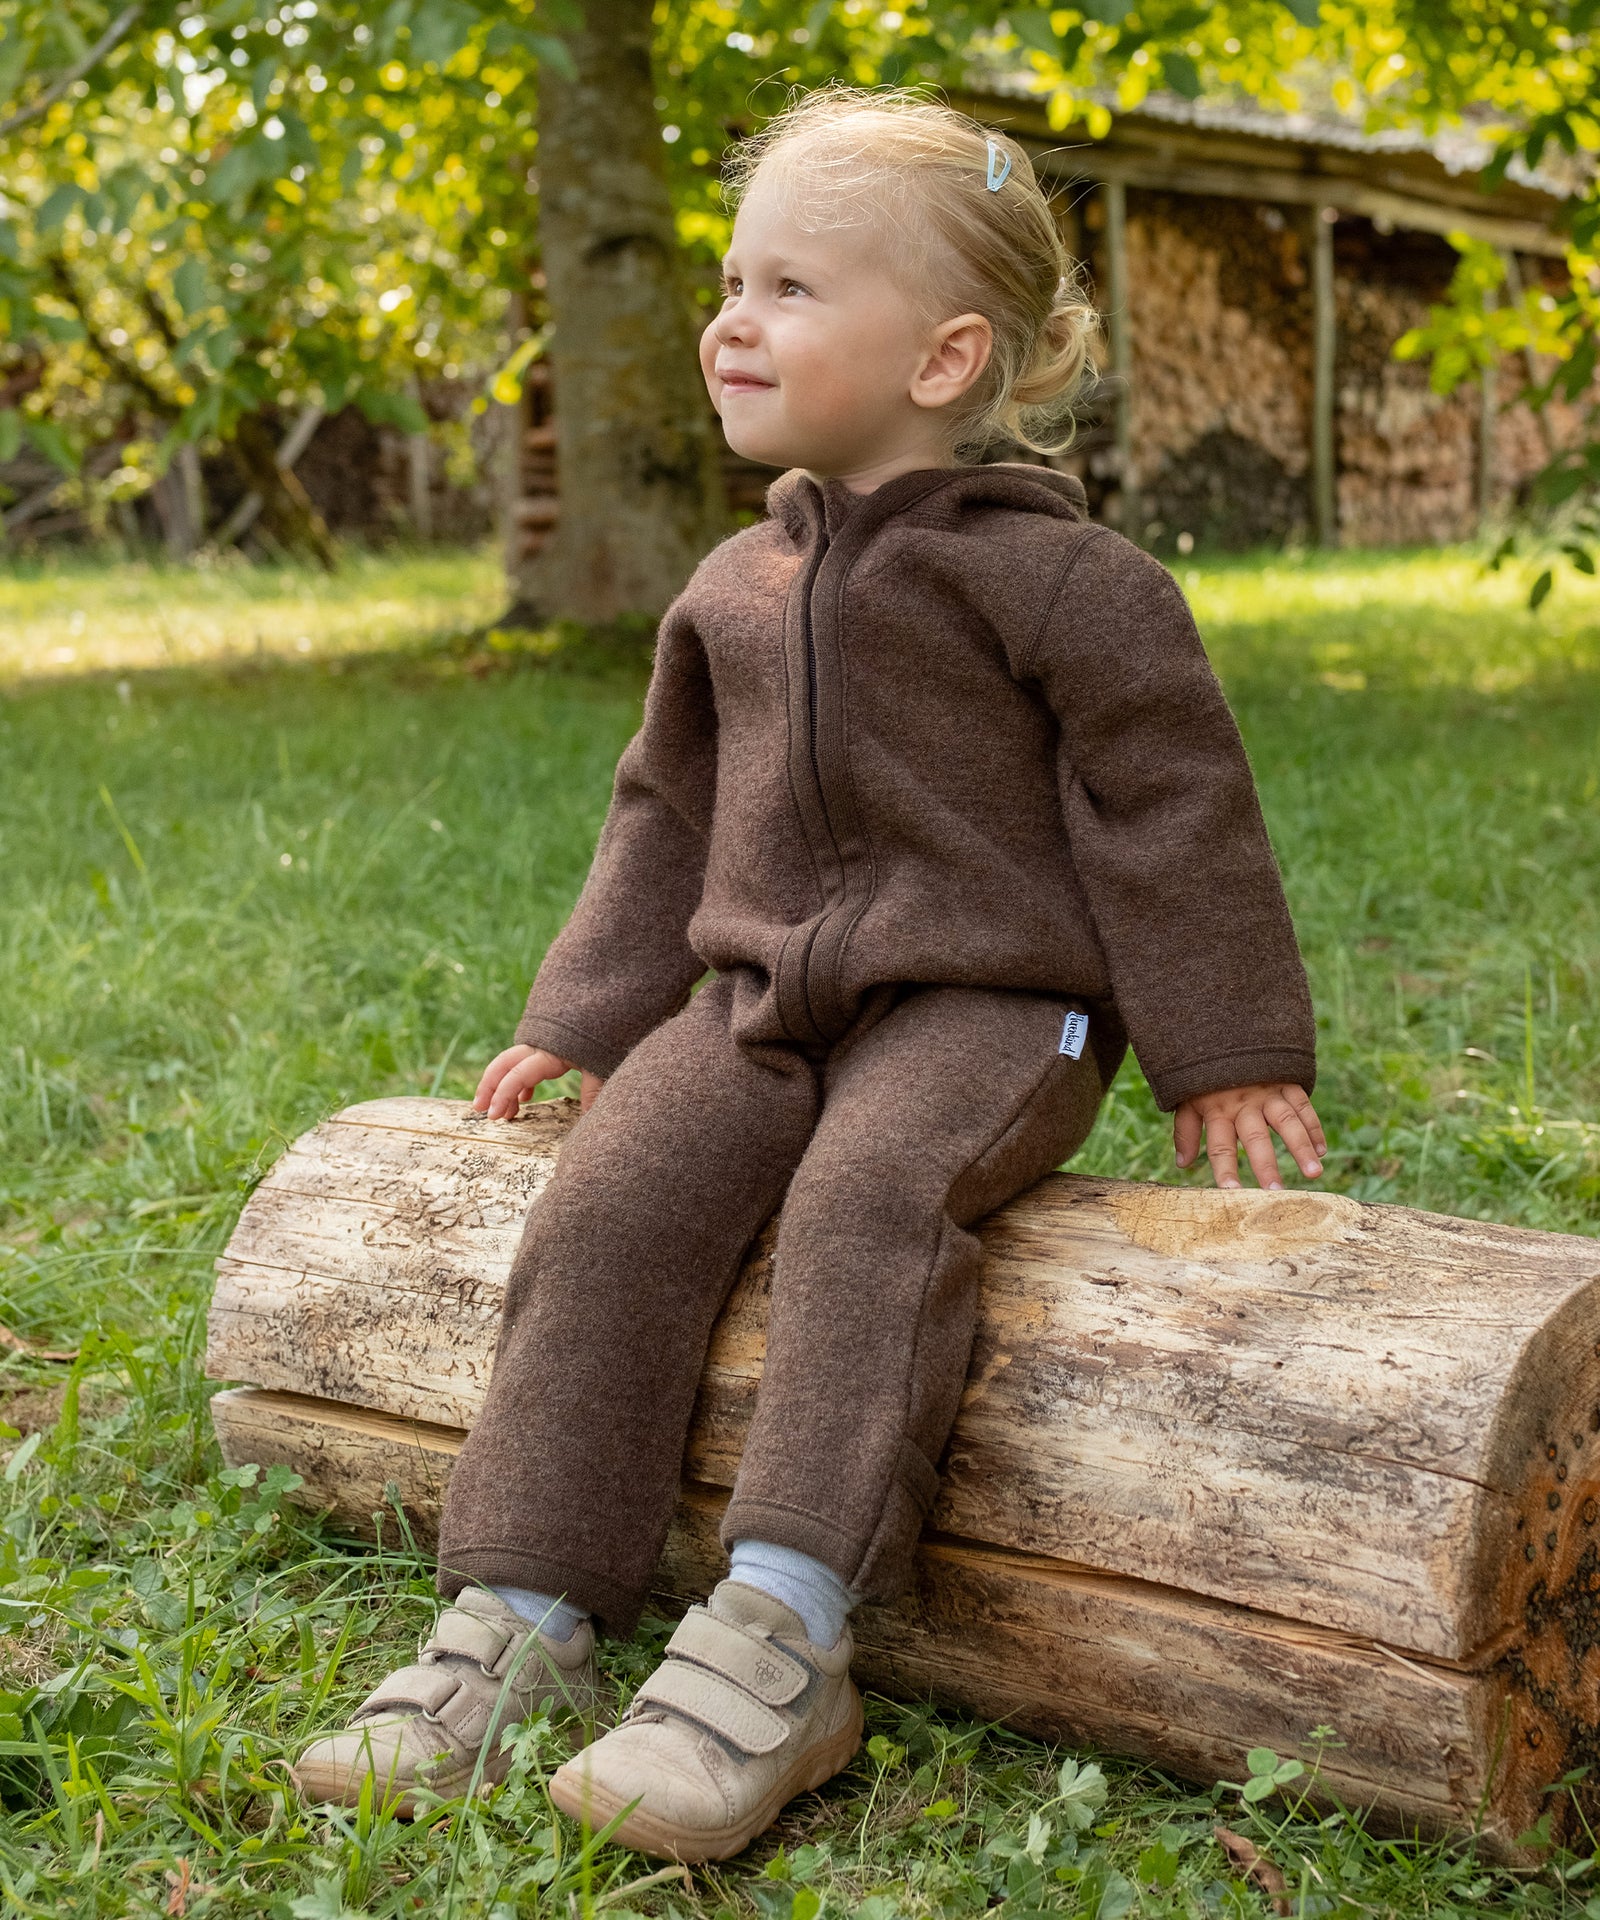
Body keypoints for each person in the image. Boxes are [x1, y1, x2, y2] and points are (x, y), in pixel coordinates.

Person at [293, 87, 1326, 1862]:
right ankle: (521, 1612)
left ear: (945, 357)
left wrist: (1226, 1046)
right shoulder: (733, 587)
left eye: (787, 287)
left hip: (999, 1009)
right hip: (758, 999)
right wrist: (581, 1017)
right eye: (727, 276)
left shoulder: (1072, 583)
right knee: (614, 1202)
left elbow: (1176, 809)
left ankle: (783, 1634)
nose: (730, 319)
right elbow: (661, 816)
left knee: (867, 1203)